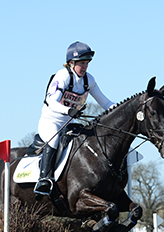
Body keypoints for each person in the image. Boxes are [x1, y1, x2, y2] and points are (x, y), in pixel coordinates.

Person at [34, 41, 115, 198]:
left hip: (69, 123)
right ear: (71, 63)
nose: (84, 67)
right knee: (54, 140)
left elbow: (105, 103)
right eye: (81, 63)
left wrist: (122, 111)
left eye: (87, 63)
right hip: (51, 121)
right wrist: (69, 110)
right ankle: (44, 179)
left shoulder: (88, 81)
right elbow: (51, 101)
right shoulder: (62, 76)